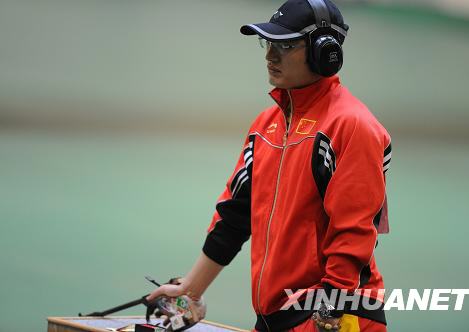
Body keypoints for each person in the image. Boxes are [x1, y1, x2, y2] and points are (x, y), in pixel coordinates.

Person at [147, 0, 392, 331]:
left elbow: (354, 232)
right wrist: (190, 291)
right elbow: (235, 215)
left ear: (325, 51)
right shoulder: (265, 126)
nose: (270, 55)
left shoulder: (350, 125)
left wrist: (331, 310)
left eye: (286, 44)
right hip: (277, 319)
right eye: (269, 43)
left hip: (333, 317)